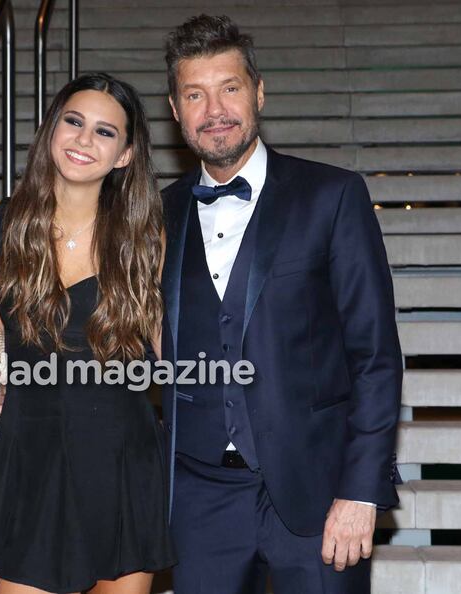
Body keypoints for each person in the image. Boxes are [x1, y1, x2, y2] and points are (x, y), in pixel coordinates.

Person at [159, 15, 402, 594]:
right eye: (195, 94)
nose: (214, 110)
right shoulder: (156, 214)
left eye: (230, 88)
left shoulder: (332, 195)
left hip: (319, 492)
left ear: (259, 93)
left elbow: (375, 356)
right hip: (199, 500)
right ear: (174, 110)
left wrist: (361, 490)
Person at [0, 73, 175, 594]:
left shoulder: (145, 237)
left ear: (125, 155)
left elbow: (164, 348)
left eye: (105, 132)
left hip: (121, 456)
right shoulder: (1, 224)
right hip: (30, 455)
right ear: (52, 130)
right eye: (74, 121)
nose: (84, 140)